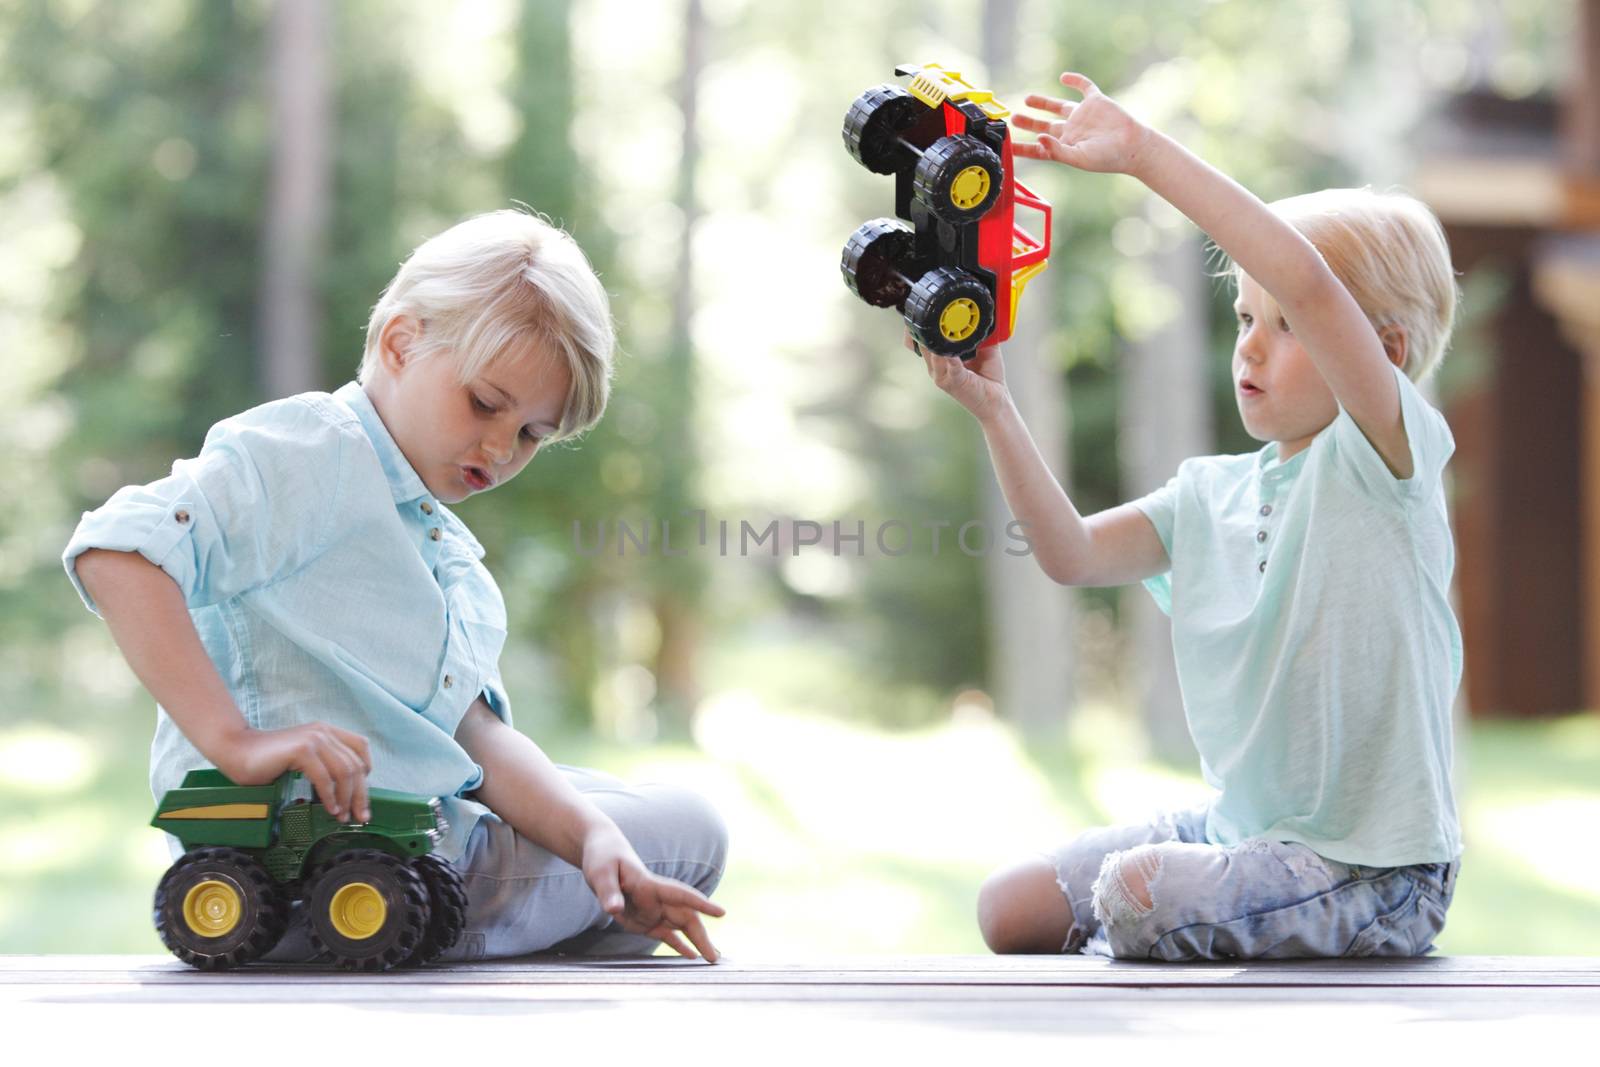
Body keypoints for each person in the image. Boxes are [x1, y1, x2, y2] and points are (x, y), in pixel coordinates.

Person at [64, 209, 728, 963]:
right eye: (485, 403)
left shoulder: (440, 545)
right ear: (401, 342)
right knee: (692, 833)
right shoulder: (311, 453)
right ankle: (404, 943)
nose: (500, 447)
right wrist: (234, 741)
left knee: (618, 832)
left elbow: (474, 735)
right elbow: (118, 548)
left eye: (532, 434)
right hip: (368, 868)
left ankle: (509, 944)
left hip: (418, 834)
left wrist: (592, 836)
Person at [922, 74, 1462, 960]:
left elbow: (1314, 281)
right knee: (1009, 905)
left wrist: (1140, 153)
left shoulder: (1386, 461)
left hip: (1376, 873)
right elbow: (1069, 554)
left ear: (1385, 354)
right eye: (1246, 313)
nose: (1250, 342)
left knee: (1136, 894)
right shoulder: (1210, 494)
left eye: (1285, 326)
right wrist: (995, 411)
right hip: (1241, 831)